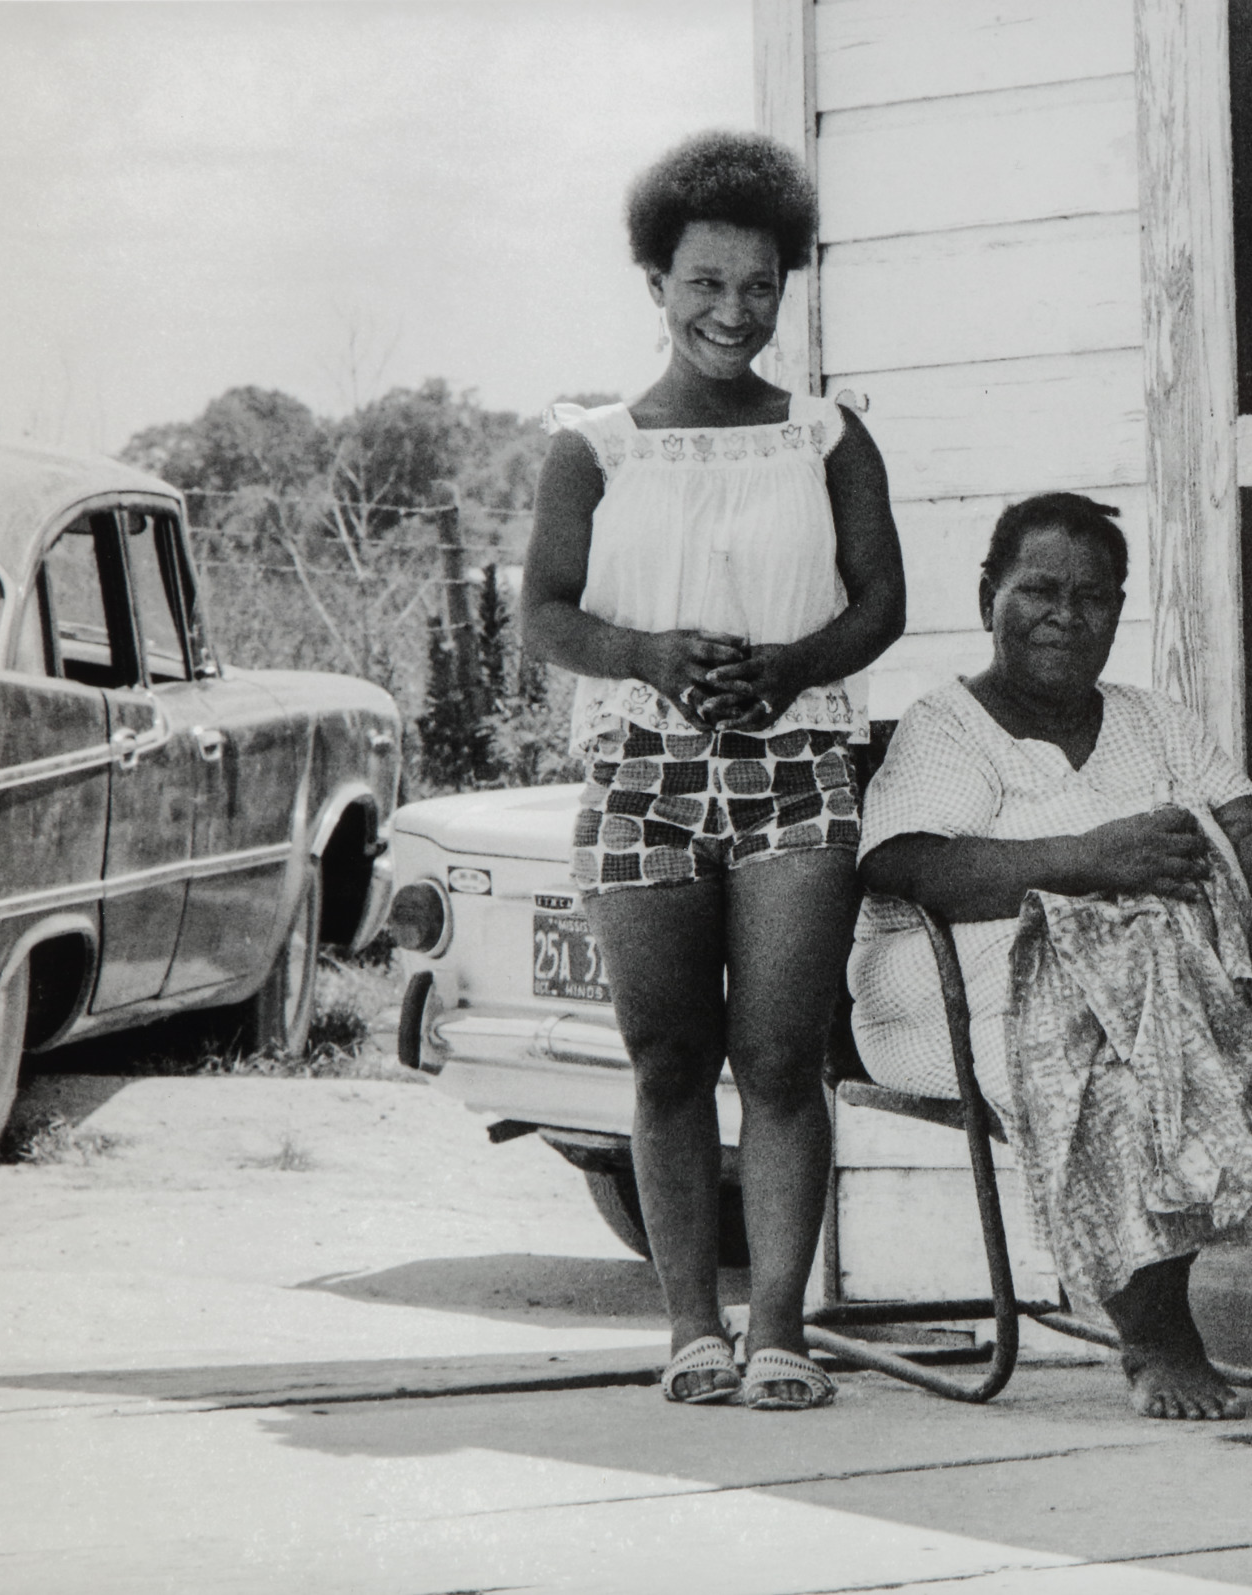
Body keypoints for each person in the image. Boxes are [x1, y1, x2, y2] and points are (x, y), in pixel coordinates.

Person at [850, 493, 1252, 1423]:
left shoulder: (1152, 719)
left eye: (1094, 597)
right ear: (989, 593)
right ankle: (1157, 1338)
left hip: (1187, 979)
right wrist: (1088, 859)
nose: (1064, 617)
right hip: (970, 996)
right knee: (1113, 1069)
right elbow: (905, 864)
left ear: (1120, 608)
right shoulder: (948, 726)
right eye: (1038, 590)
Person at [521, 130, 906, 1409]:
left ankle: (783, 1329)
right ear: (654, 280)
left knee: (783, 1057)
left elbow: (880, 603)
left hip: (796, 770)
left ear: (785, 285)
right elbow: (548, 616)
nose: (732, 312)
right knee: (667, 1057)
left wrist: (793, 669)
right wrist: (649, 654)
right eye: (703, 283)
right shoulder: (592, 446)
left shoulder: (827, 435)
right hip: (641, 769)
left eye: (757, 286)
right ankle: (692, 1324)